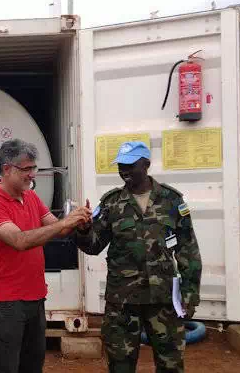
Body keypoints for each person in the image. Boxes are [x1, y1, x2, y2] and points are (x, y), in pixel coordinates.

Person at [74, 141, 201, 373]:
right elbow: (94, 246)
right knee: (120, 364)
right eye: (121, 165)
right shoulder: (111, 203)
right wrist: (82, 231)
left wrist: (190, 293)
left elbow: (188, 249)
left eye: (131, 165)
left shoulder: (172, 201)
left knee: (170, 363)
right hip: (123, 300)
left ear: (147, 165)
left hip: (163, 298)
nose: (124, 171)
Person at [0, 139, 89, 373]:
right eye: (26, 169)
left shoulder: (31, 198)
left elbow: (59, 229)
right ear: (7, 169)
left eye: (33, 168)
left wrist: (78, 219)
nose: (31, 175)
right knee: (6, 367)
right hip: (7, 302)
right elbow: (20, 241)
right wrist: (65, 223)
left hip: (35, 298)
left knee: (32, 364)